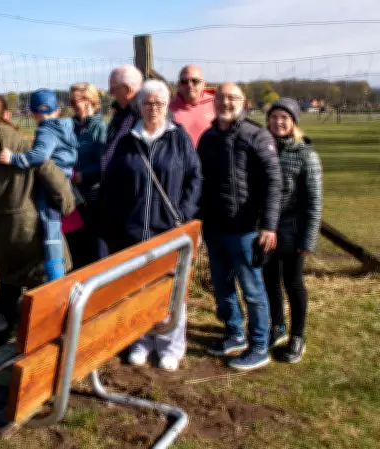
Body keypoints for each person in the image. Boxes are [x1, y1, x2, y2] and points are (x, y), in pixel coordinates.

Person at [0, 94, 76, 355]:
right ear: (8, 116)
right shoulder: (26, 147)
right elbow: (61, 193)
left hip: (4, 239)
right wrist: (68, 203)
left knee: (7, 297)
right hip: (37, 238)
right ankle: (43, 355)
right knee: (45, 299)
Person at [100, 79, 202, 371]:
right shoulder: (127, 140)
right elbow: (113, 184)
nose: (153, 108)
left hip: (167, 230)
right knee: (136, 289)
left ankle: (170, 346)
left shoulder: (178, 138)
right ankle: (140, 342)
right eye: (148, 103)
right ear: (139, 106)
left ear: (167, 106)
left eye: (159, 103)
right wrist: (120, 218)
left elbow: (195, 178)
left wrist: (184, 213)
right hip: (133, 231)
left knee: (170, 290)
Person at [197, 82, 283, 371]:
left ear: (243, 103)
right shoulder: (208, 138)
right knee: (222, 287)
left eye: (232, 98)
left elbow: (274, 182)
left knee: (253, 291)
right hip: (215, 228)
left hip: (247, 230)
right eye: (221, 98)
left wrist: (269, 225)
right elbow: (200, 181)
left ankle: (259, 346)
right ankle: (234, 333)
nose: (226, 102)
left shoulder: (256, 135)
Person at [264, 98, 323, 363]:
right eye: (274, 117)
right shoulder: (263, 149)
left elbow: (314, 201)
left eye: (284, 118)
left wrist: (307, 240)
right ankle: (277, 325)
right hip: (266, 231)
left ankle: (297, 335)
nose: (278, 122)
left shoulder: (305, 155)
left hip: (293, 232)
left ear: (293, 122)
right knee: (269, 281)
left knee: (293, 283)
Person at [0, 88, 79, 281]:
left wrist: (14, 158)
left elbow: (41, 155)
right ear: (57, 111)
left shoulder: (45, 130)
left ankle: (55, 276)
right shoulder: (66, 126)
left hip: (50, 183)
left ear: (33, 113)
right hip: (64, 179)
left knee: (50, 224)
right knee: (55, 224)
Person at [66, 82, 108, 269]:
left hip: (92, 195)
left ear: (90, 100)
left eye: (76, 101)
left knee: (95, 243)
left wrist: (84, 175)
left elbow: (105, 162)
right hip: (72, 193)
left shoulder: (100, 128)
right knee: (77, 243)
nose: (73, 105)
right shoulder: (70, 127)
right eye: (71, 101)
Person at [101, 64, 143, 181]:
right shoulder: (121, 111)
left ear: (127, 89)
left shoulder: (144, 114)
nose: (110, 93)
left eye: (113, 89)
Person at [168, 64, 216, 147]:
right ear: (178, 85)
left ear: (203, 84)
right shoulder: (168, 107)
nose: (190, 85)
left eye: (195, 81)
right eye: (184, 82)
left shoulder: (218, 103)